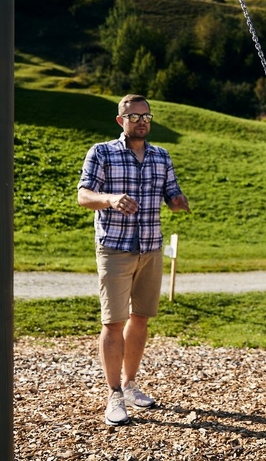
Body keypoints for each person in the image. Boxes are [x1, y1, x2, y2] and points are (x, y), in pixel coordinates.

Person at [77, 94, 190, 426]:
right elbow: (83, 195)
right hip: (114, 248)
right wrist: (110, 199)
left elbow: (172, 193)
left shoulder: (161, 156)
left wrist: (178, 201)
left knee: (140, 319)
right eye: (134, 116)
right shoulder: (102, 152)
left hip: (151, 248)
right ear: (120, 120)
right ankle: (113, 395)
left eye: (146, 116)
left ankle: (129, 385)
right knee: (113, 322)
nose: (142, 121)